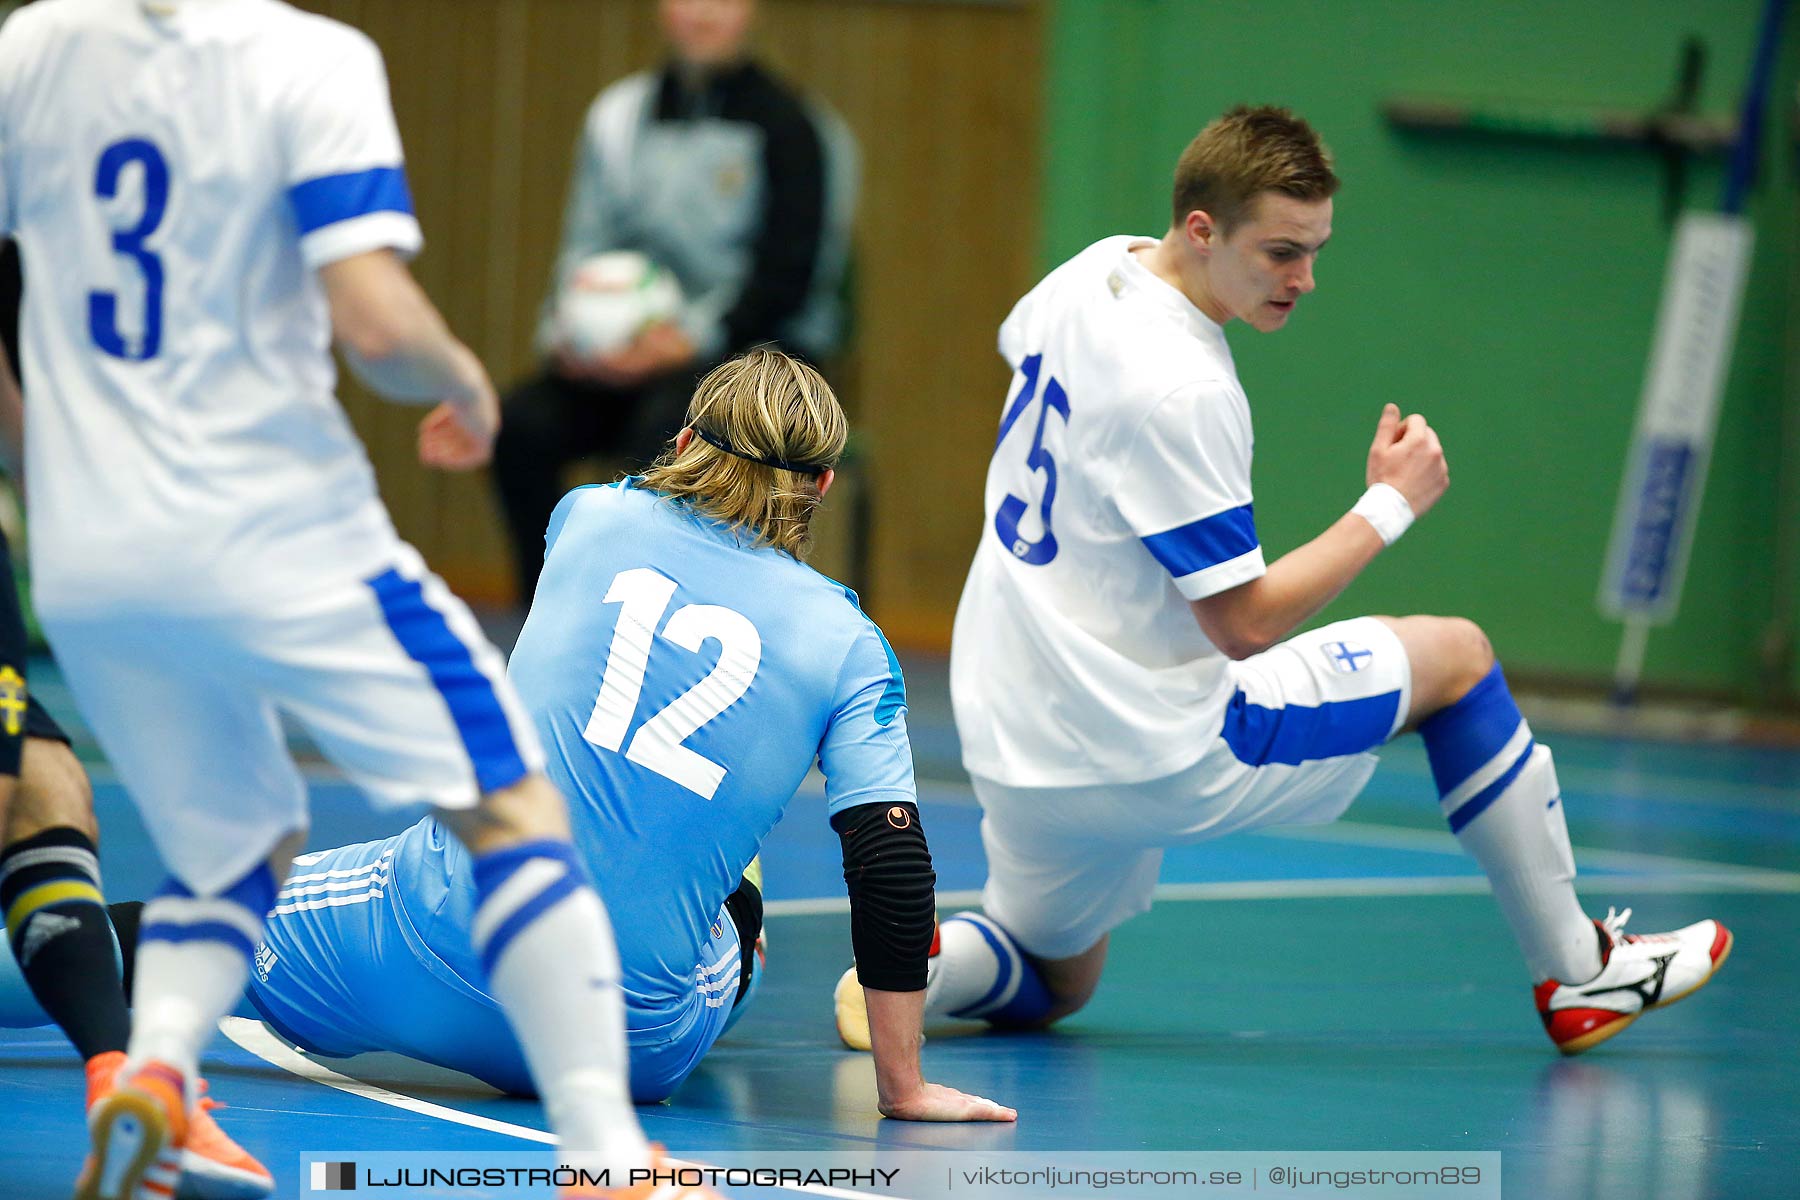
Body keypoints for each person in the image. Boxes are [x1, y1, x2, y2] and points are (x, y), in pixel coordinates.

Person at [834, 106, 1733, 1059]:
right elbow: (1243, 625)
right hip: (1152, 747)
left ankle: (913, 973)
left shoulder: (1087, 276)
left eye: (1315, 250)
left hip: (1014, 735)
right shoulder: (1187, 388)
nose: (1304, 279)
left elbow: (1029, 365)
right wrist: (1389, 505)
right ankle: (1579, 969)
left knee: (1059, 974)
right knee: (1457, 659)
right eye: (1280, 253)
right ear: (1201, 229)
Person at [0, 3, 695, 1198]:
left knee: (241, 835)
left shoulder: (36, 44)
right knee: (514, 808)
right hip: (274, 530)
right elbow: (374, 325)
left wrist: (44, 464)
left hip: (90, 554)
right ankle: (604, 1151)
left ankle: (153, 1073)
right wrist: (470, 382)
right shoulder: (311, 61)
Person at [3, 350, 1017, 1127]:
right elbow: (891, 863)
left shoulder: (587, 516)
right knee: (729, 910)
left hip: (425, 947)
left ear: (680, 443)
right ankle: (731, 915)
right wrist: (903, 1086)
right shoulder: (851, 644)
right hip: (632, 1042)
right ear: (825, 488)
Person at [492, 0, 849, 601]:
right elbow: (584, 247)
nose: (703, 13)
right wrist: (570, 337)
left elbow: (788, 279)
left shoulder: (794, 127)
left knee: (664, 432)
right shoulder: (618, 115)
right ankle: (548, 609)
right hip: (621, 357)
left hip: (742, 355)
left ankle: (652, 616)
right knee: (520, 427)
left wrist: (688, 341)